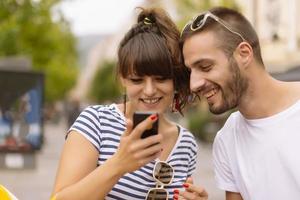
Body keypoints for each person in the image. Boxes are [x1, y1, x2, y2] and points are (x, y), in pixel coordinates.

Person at [52, 7, 208, 200]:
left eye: (160, 79)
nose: (149, 90)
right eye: (137, 80)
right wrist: (119, 164)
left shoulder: (186, 144)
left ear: (175, 80)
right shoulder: (96, 122)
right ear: (123, 79)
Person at [180, 6, 300, 200]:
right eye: (191, 72)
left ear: (244, 53)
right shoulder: (227, 139)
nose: (194, 85)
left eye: (205, 67)